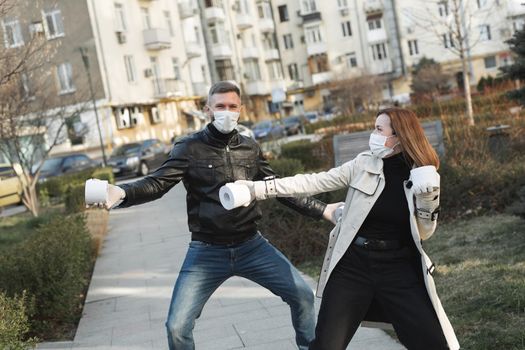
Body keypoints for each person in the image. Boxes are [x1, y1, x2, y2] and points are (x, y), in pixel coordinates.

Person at [96, 81, 338, 350]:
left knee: (303, 295)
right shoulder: (189, 148)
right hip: (206, 252)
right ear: (207, 109)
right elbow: (157, 183)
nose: (226, 111)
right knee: (176, 327)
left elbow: (279, 189)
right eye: (220, 106)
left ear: (241, 109)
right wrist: (121, 193)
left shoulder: (250, 148)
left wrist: (324, 209)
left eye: (232, 106)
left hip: (252, 246)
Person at [235, 108, 460, 350]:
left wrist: (428, 200)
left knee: (433, 342)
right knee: (326, 345)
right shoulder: (363, 163)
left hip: (398, 267)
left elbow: (424, 232)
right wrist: (257, 189)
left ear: (399, 136)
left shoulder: (421, 175)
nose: (372, 135)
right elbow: (314, 181)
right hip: (354, 265)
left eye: (378, 129)